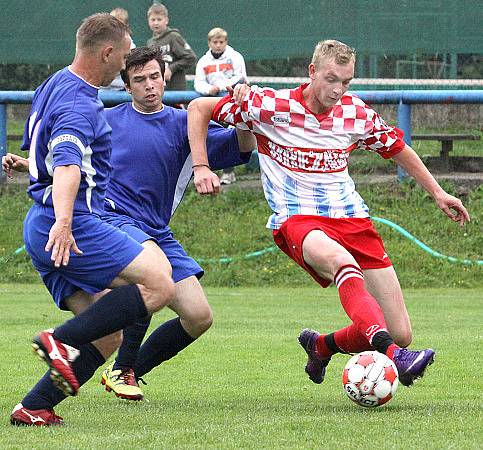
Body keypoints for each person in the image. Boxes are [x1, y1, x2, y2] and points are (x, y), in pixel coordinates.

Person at [187, 40, 470, 388]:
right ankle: (395, 356)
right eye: (331, 79)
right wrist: (201, 166)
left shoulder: (355, 113)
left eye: (346, 82)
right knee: (341, 264)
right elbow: (198, 108)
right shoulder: (269, 105)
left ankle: (322, 345)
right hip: (298, 218)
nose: (337, 90)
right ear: (312, 72)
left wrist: (439, 193)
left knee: (401, 330)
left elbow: (398, 148)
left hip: (352, 218)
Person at [3, 46, 255, 416]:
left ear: (165, 77)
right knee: (152, 276)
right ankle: (78, 347)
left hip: (156, 230)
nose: (150, 86)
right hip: (113, 219)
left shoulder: (182, 123)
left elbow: (241, 148)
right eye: (140, 80)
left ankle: (54, 398)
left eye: (155, 77)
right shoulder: (105, 118)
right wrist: (34, 166)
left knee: (198, 315)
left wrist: (245, 116)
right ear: (126, 85)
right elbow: (72, 163)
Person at [9, 14, 176, 426]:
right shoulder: (80, 104)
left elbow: (50, 154)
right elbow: (67, 164)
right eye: (122, 55)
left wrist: (33, 168)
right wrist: (65, 222)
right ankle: (58, 340)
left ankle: (34, 407)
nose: (125, 63)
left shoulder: (56, 83)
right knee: (159, 282)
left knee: (107, 334)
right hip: (71, 225)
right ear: (106, 52)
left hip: (39, 222)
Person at [194, 27, 248, 185]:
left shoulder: (235, 57)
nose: (218, 45)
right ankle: (208, 170)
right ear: (209, 43)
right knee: (212, 136)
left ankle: (229, 172)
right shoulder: (203, 61)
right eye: (215, 42)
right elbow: (199, 82)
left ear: (226, 42)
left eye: (221, 42)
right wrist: (209, 89)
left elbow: (241, 77)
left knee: (231, 135)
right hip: (212, 102)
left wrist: (224, 86)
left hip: (231, 100)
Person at [146, 3, 196, 91]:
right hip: (156, 90)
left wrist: (171, 69)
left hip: (175, 89)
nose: (156, 23)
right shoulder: (150, 42)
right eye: (153, 20)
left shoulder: (173, 37)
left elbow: (190, 58)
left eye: (159, 19)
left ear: (166, 20)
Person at [100, 8, 136, 91]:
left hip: (121, 87)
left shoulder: (129, 43)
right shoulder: (102, 40)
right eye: (112, 24)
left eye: (119, 24)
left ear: (125, 26)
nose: (115, 28)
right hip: (103, 87)